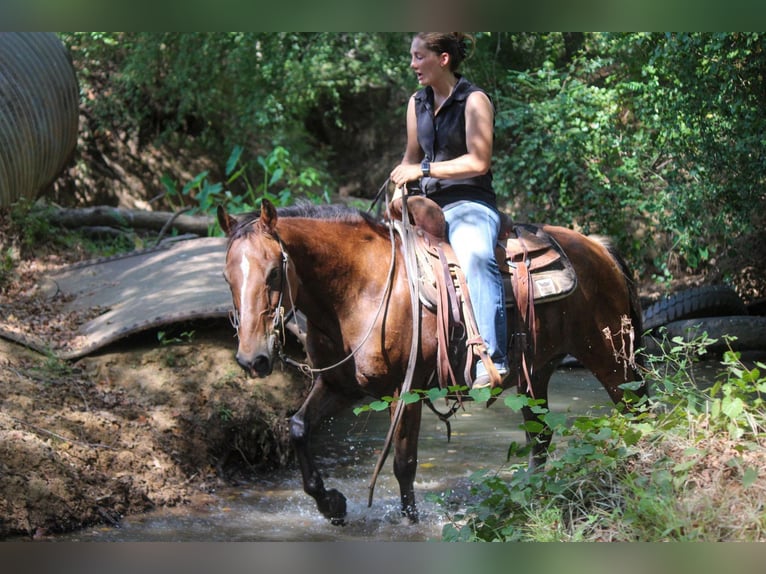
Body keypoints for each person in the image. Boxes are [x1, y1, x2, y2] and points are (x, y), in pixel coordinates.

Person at [390, 32, 508, 389]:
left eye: (418, 56)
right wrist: (398, 186)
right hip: (425, 205)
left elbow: (479, 161)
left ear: (442, 59)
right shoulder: (417, 102)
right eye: (411, 56)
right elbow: (412, 157)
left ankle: (493, 359)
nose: (412, 64)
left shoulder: (474, 101)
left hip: (469, 205)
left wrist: (423, 171)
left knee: (475, 257)